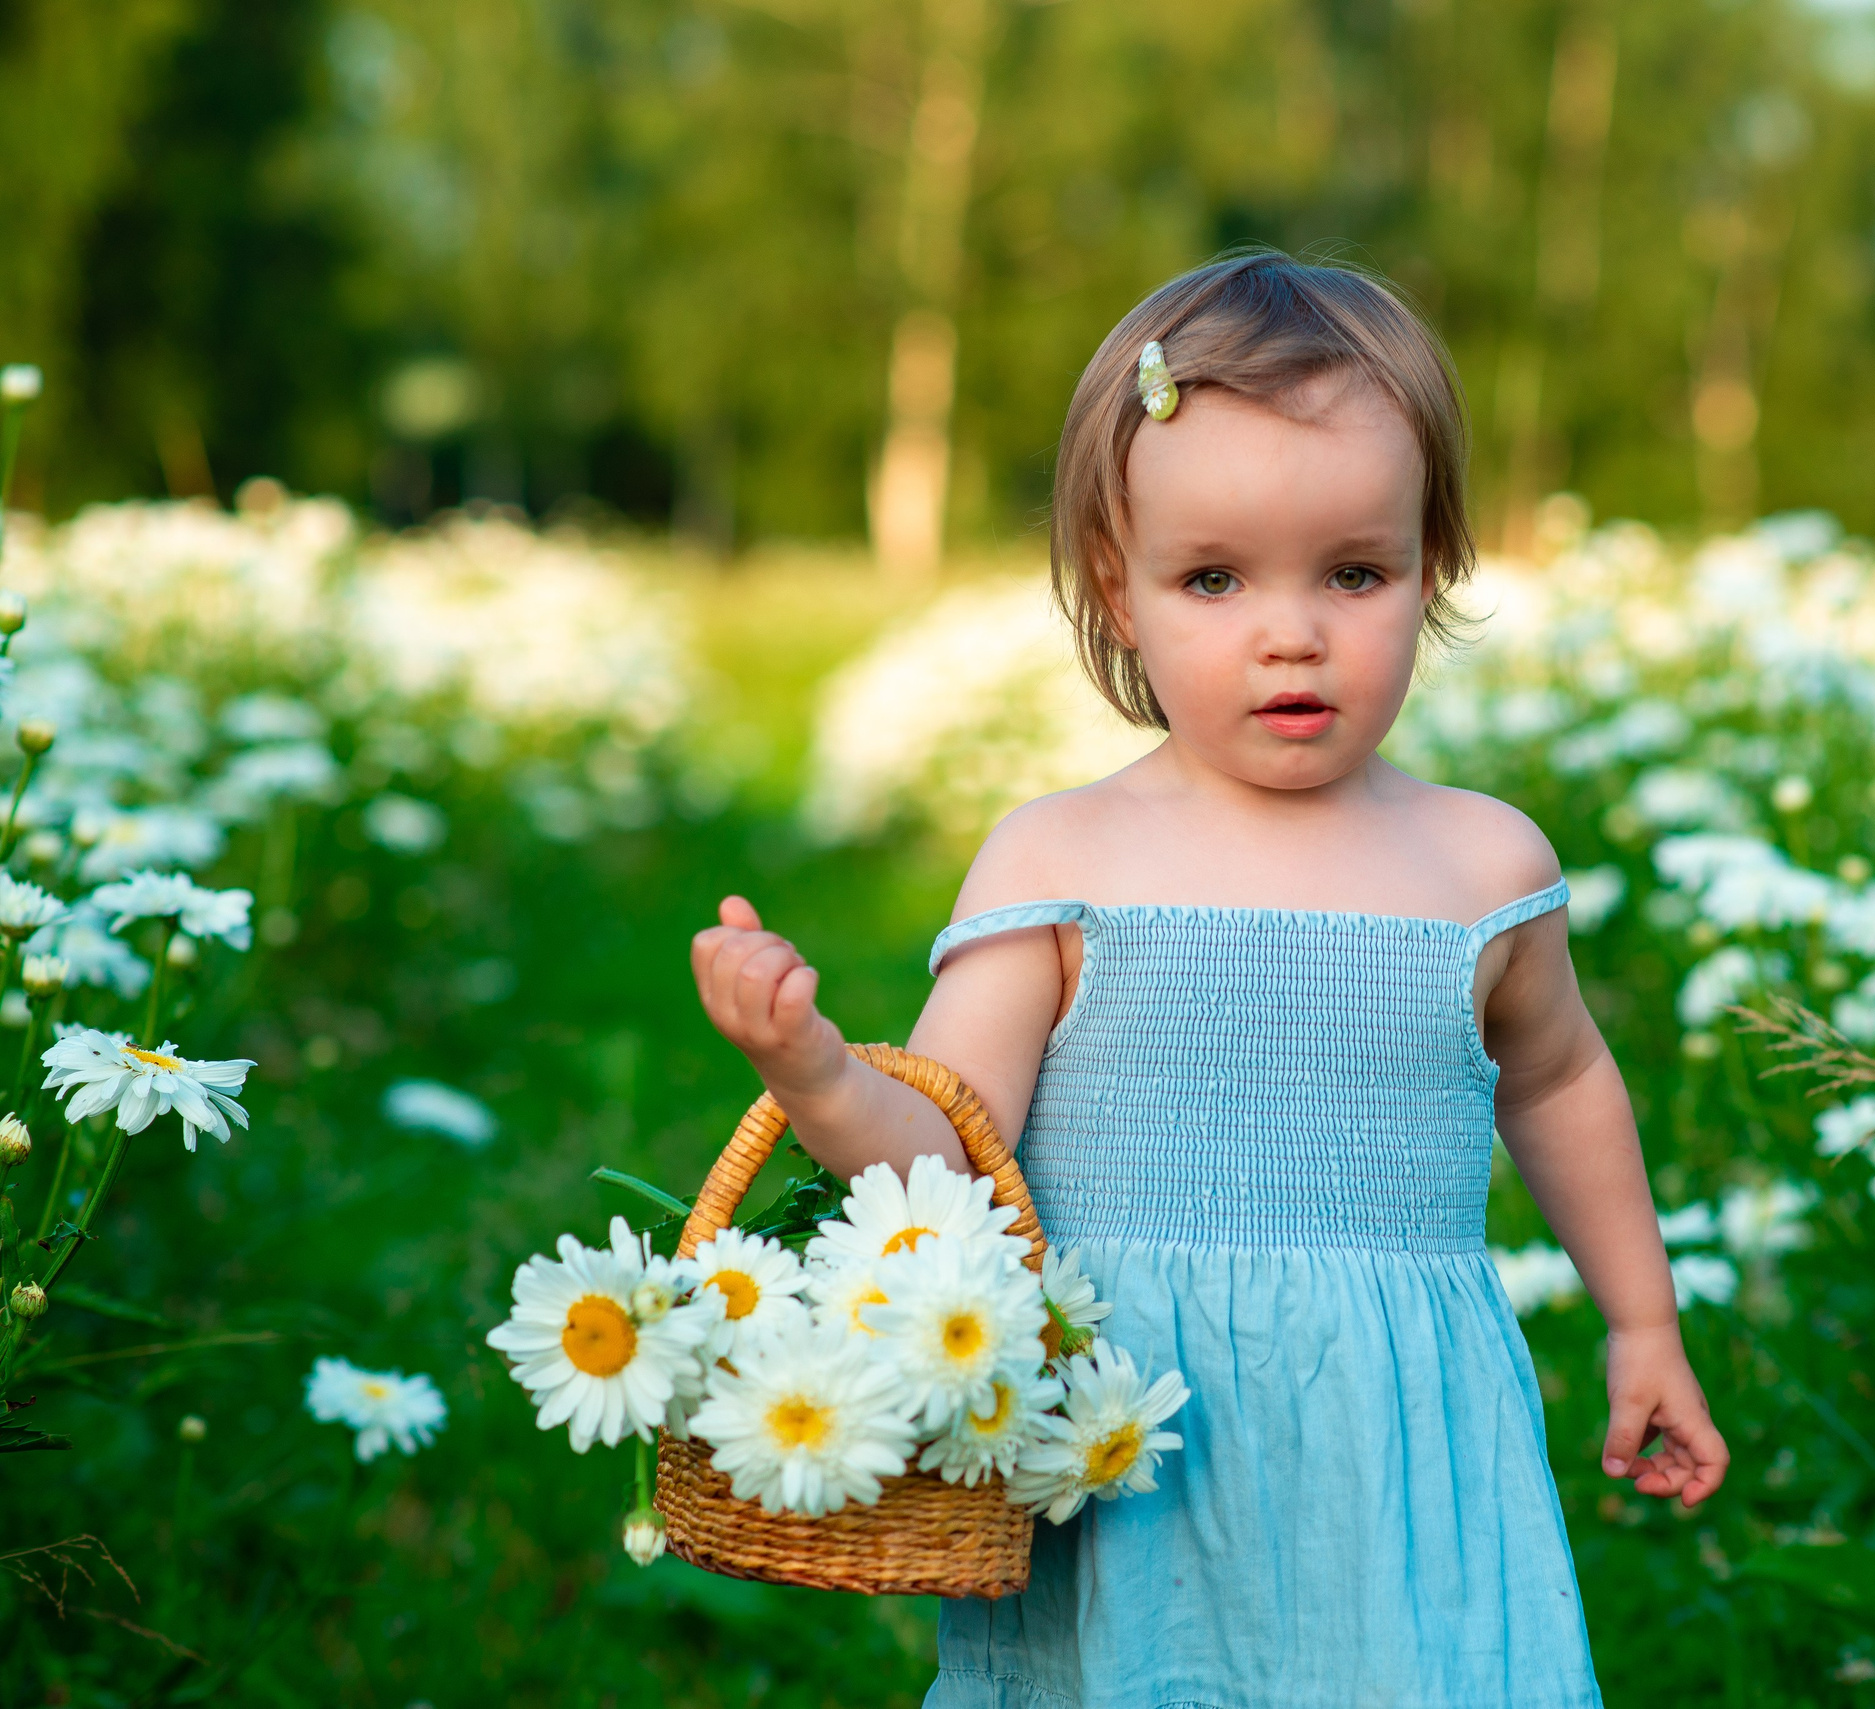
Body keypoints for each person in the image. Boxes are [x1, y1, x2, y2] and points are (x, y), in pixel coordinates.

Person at [692, 251, 1727, 1707]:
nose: (1289, 630)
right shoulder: (1060, 857)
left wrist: (1642, 1318)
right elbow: (946, 1155)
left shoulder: (1483, 865)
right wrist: (816, 1074)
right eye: (1216, 577)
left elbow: (1558, 1076)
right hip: (1126, 1444)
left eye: (1355, 572)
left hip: (1393, 1454)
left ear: (1433, 568)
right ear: (1119, 592)